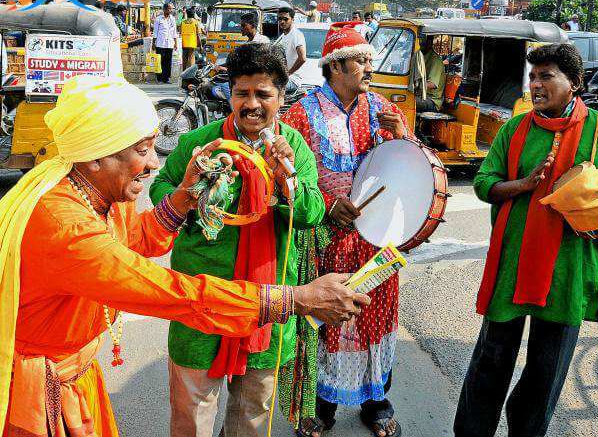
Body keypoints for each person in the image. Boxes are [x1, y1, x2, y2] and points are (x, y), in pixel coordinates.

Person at [0, 75, 369, 437]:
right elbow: (168, 291)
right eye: (142, 150)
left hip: (74, 371)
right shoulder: (66, 226)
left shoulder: (97, 194)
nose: (153, 164)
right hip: (40, 388)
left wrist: (186, 196)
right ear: (96, 157)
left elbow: (135, 239)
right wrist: (298, 298)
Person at [454, 43, 598, 437]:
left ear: (574, 83)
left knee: (546, 370)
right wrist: (523, 184)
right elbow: (485, 183)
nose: (535, 85)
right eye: (532, 77)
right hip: (513, 262)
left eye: (546, 76)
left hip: (570, 267)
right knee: (492, 360)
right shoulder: (515, 128)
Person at [150, 43, 328, 437]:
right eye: (242, 93)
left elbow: (312, 212)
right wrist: (190, 190)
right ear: (230, 94)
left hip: (267, 301)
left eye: (263, 94)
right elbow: (161, 188)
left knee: (251, 415)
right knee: (191, 415)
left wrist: (286, 180)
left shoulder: (294, 147)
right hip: (203, 298)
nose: (252, 104)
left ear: (281, 97)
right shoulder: (201, 143)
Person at [282, 21, 410, 437]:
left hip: (376, 240)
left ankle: (377, 402)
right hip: (325, 239)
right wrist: (327, 205)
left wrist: (401, 134)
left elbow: (408, 166)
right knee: (329, 321)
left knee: (375, 317)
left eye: (371, 59)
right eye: (362, 60)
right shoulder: (302, 112)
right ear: (337, 67)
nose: (370, 67)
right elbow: (287, 175)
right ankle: (322, 408)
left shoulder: (381, 108)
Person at [274, 7, 306, 93]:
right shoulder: (283, 36)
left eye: (285, 19)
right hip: (283, 78)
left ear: (292, 19)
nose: (282, 22)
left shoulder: (296, 35)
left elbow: (302, 58)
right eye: (280, 19)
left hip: (293, 80)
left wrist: (288, 73)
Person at [417, 36, 446, 112]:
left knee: (407, 101)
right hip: (420, 96)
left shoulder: (435, 60)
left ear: (429, 43)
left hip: (431, 100)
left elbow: (432, 84)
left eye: (421, 43)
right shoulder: (420, 57)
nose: (418, 45)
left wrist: (415, 85)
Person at [153, 2, 178, 83]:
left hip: (169, 43)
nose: (170, 10)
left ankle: (166, 78)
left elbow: (174, 32)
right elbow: (155, 32)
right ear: (164, 9)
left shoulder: (173, 19)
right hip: (160, 43)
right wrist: (154, 43)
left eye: (171, 9)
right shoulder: (158, 19)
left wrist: (175, 43)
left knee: (168, 61)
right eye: (168, 8)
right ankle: (159, 78)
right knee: (160, 61)